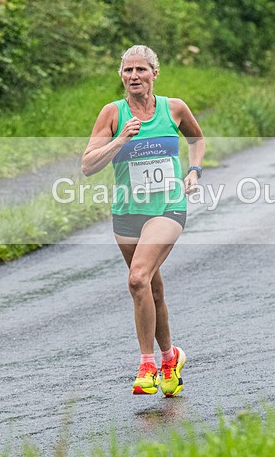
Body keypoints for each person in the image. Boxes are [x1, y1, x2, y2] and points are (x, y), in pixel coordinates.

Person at [81, 45, 205, 396]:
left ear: (154, 73)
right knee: (152, 287)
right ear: (121, 76)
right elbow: (88, 165)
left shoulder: (174, 108)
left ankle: (147, 364)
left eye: (141, 70)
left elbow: (196, 138)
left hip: (168, 205)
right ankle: (171, 357)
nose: (134, 76)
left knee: (137, 279)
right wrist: (120, 139)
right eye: (127, 71)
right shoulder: (113, 114)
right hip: (127, 213)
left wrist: (193, 171)